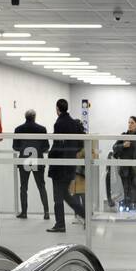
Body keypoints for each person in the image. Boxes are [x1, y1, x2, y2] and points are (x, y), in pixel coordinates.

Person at [48, 98, 87, 233]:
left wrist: (50, 156)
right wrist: (74, 153)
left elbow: (57, 144)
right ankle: (83, 215)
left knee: (58, 196)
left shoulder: (59, 123)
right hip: (70, 164)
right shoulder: (74, 123)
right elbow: (81, 142)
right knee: (65, 194)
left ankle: (60, 224)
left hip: (59, 165)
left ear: (57, 109)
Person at [12, 109, 50, 221]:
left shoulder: (18, 129)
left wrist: (24, 148)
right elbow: (46, 147)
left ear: (25, 117)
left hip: (24, 160)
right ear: (35, 116)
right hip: (37, 160)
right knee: (41, 186)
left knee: (23, 187)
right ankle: (46, 212)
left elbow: (15, 147)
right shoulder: (42, 129)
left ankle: (24, 212)